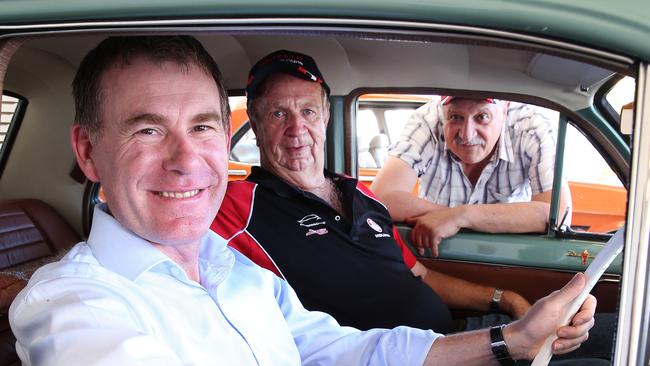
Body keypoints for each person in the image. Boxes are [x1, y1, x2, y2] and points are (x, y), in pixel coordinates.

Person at [9, 36, 598, 366]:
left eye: (204, 127)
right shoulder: (79, 306)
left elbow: (342, 346)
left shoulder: (236, 270)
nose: (185, 160)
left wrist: (510, 329)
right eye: (147, 129)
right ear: (88, 154)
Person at [213, 50, 532, 335]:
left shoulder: (361, 192)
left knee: (574, 334)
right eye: (278, 113)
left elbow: (420, 274)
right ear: (255, 123)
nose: (297, 128)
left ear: (325, 116)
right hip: (409, 357)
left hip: (454, 335)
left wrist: (506, 299)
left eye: (308, 111)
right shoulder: (235, 207)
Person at [372, 97, 572, 255]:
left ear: (505, 109)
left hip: (508, 255)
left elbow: (558, 215)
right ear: (442, 113)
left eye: (482, 117)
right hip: (436, 249)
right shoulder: (427, 121)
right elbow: (380, 198)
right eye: (455, 117)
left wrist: (460, 216)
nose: (467, 135)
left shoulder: (532, 127)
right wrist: (450, 218)